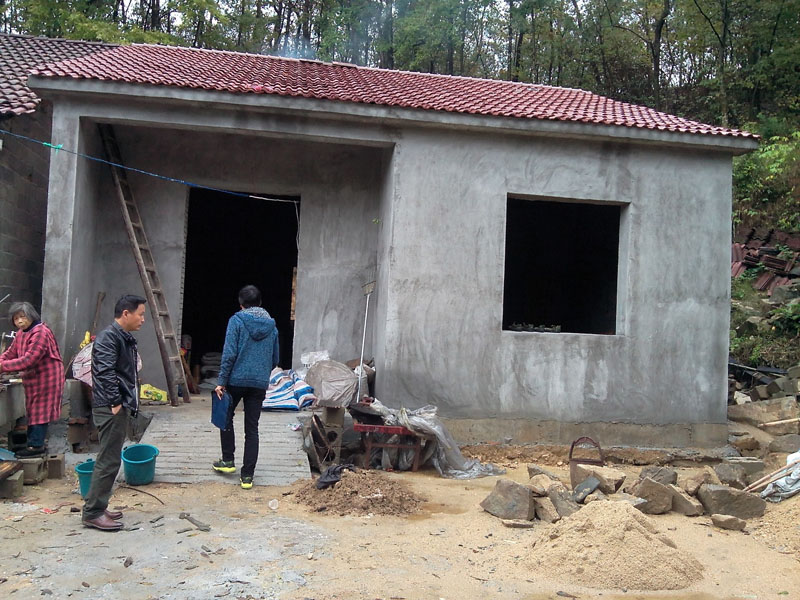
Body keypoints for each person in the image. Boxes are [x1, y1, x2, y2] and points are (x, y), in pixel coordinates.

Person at [82, 295, 146, 531]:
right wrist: (115, 401)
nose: (142, 319)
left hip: (115, 405)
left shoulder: (122, 336)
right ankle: (93, 512)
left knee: (110, 458)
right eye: (140, 314)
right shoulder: (110, 337)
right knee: (108, 460)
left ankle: (99, 506)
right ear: (126, 314)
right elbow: (105, 371)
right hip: (110, 406)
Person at [214, 285, 279, 489]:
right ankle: (247, 477)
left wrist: (221, 381)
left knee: (226, 417)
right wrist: (261, 373)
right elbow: (275, 359)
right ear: (260, 303)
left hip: (236, 380)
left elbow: (229, 354)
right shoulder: (272, 326)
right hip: (259, 384)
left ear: (241, 304)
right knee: (252, 429)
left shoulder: (236, 321)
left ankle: (228, 461)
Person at [0, 302, 64, 457]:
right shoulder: (21, 333)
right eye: (16, 319)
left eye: (23, 317)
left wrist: (2, 367)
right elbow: (11, 352)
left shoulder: (40, 332)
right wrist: (1, 361)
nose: (20, 321)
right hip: (33, 378)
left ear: (31, 316)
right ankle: (32, 443)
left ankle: (36, 447)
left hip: (48, 377)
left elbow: (30, 360)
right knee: (33, 410)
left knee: (41, 411)